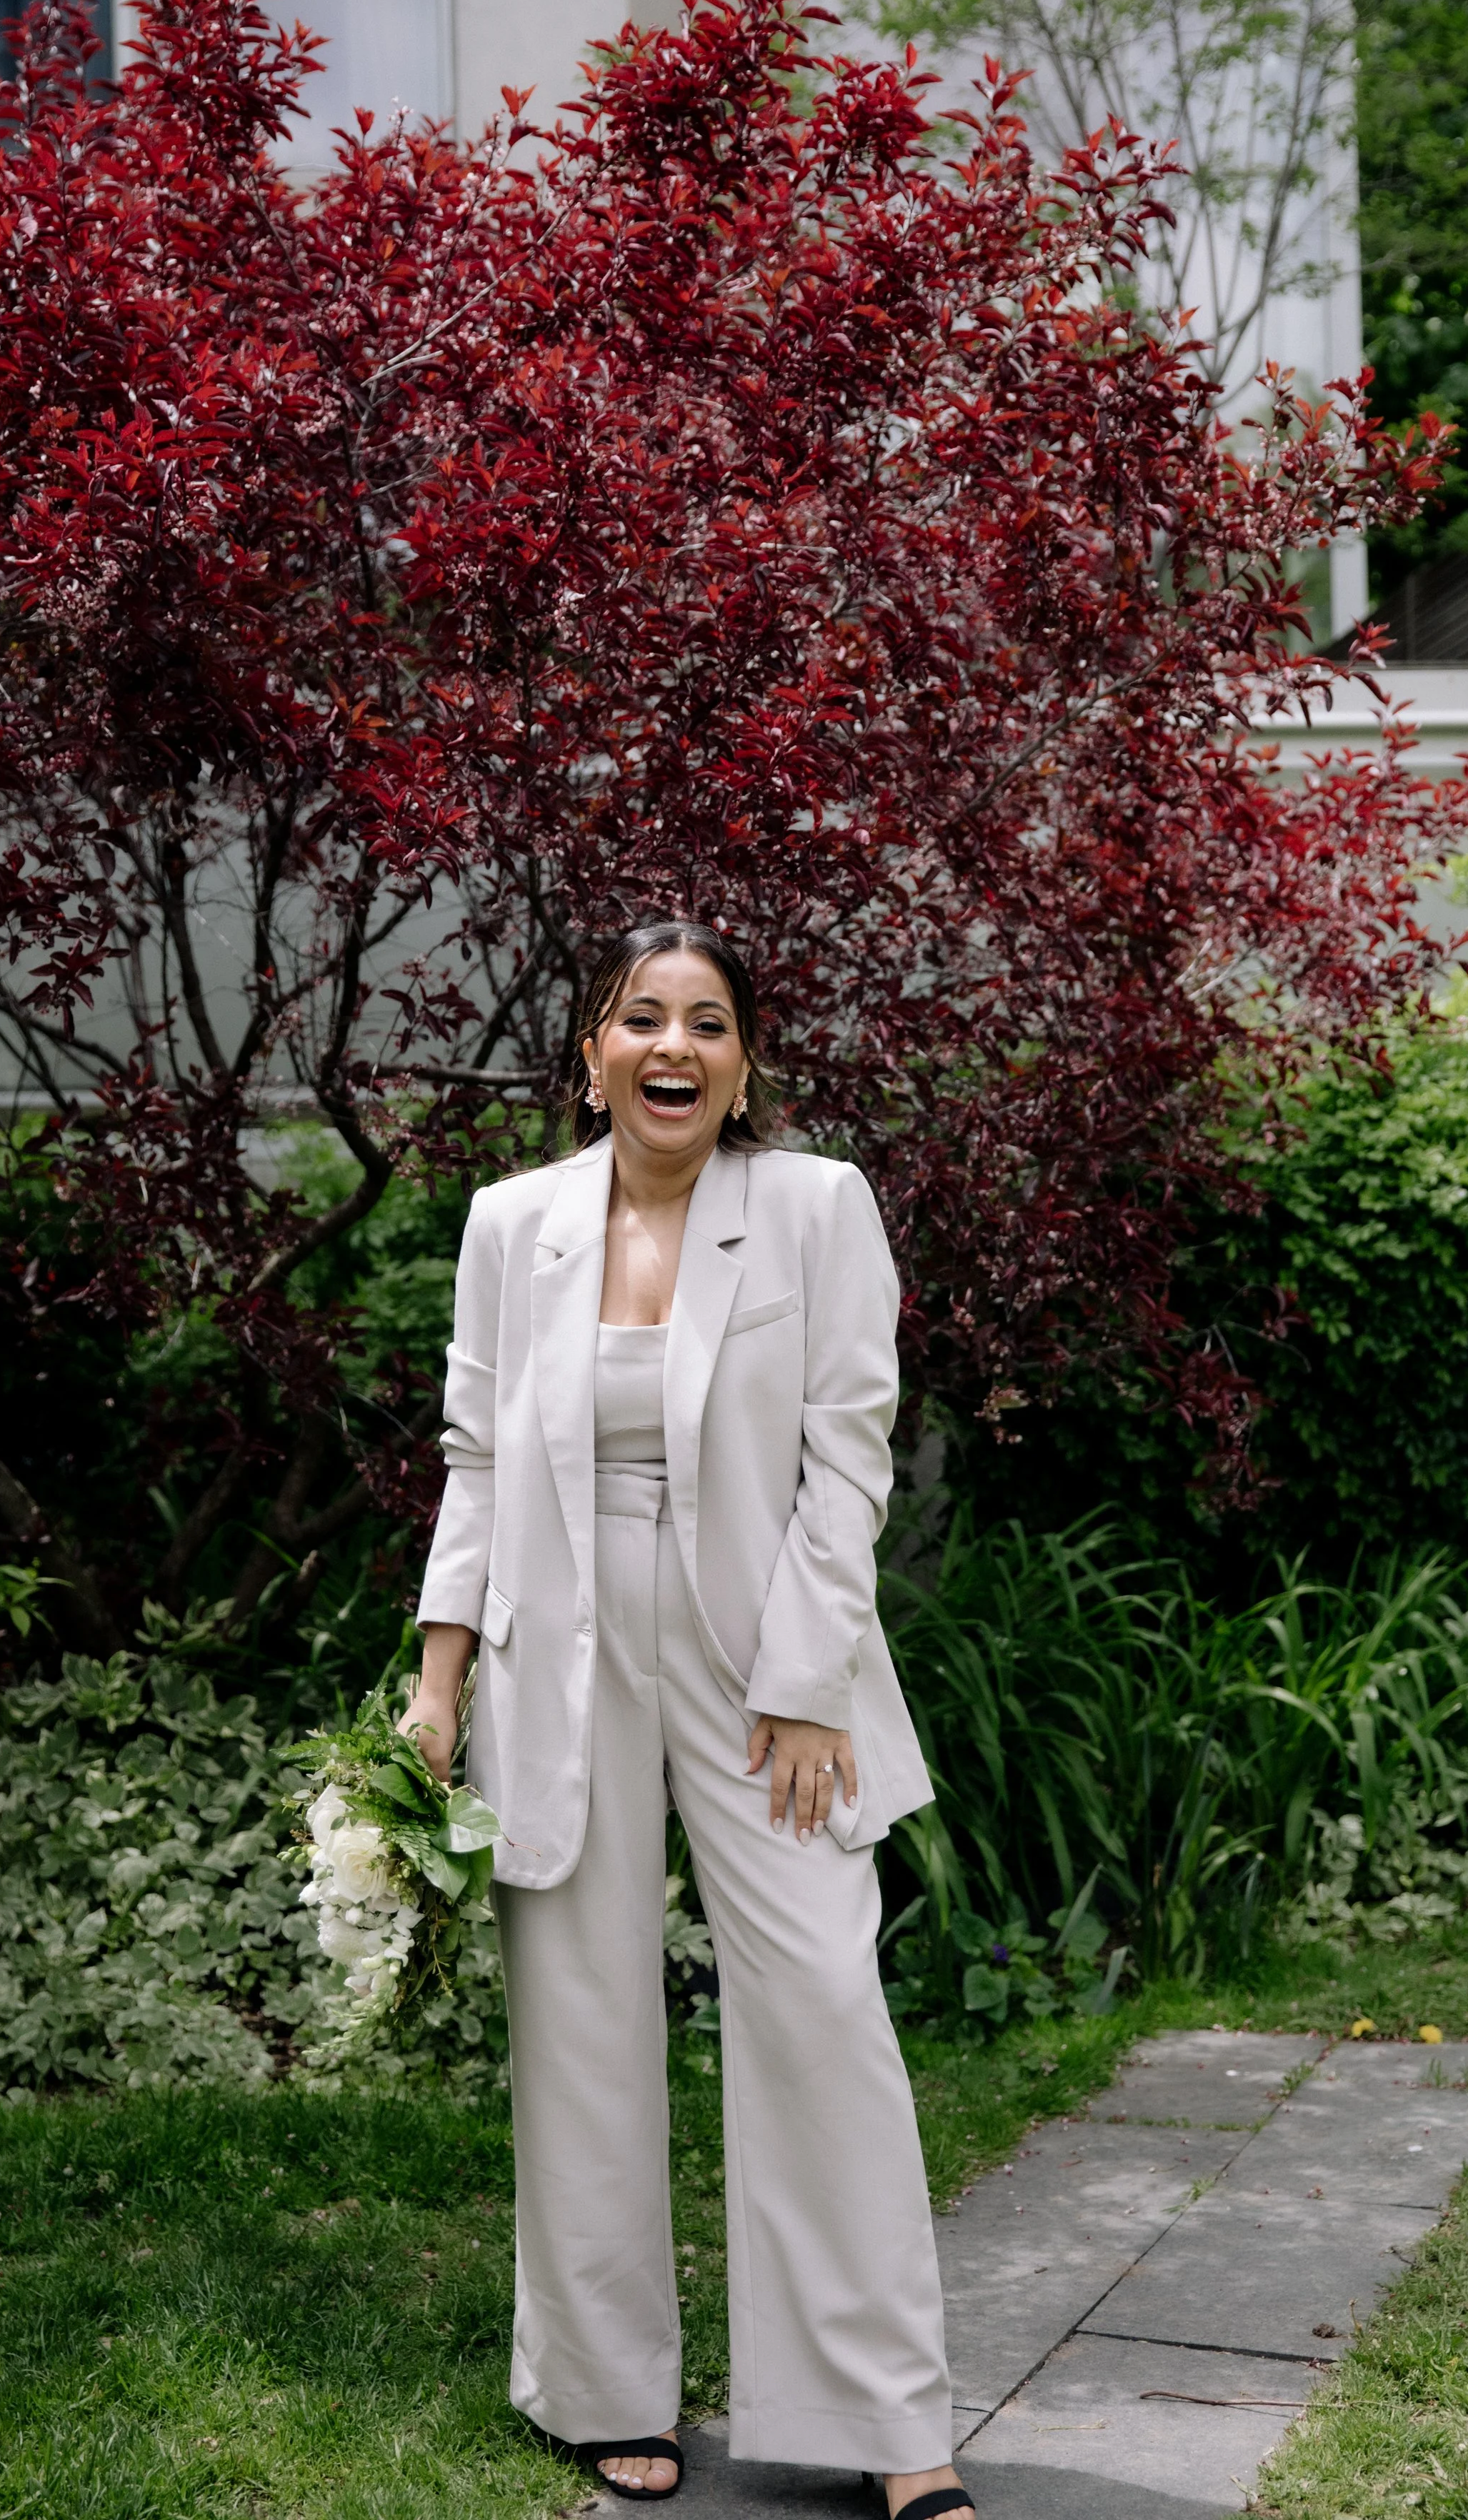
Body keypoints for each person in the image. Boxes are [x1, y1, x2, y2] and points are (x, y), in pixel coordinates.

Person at [400, 917, 974, 2520]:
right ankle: (600, 2391)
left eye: (706, 1023)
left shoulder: (813, 1208)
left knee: (822, 2017)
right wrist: (439, 1690)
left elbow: (849, 1459)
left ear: (743, 1063)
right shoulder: (513, 1224)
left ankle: (892, 2422)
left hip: (765, 1663)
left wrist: (804, 1690)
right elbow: (477, 1460)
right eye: (640, 1019)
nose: (672, 1048)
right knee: (582, 2026)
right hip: (553, 1657)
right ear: (590, 1053)